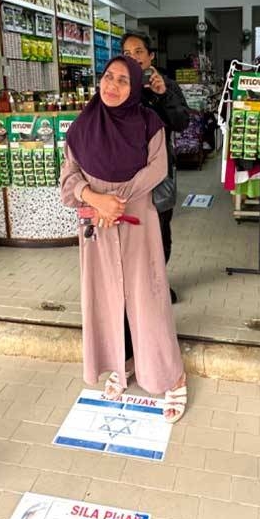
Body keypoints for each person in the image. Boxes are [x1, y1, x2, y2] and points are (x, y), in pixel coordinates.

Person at [60, 55, 188, 423]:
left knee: (148, 298)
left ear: (135, 87)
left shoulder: (149, 123)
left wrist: (117, 201)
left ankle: (171, 374)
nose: (112, 86)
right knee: (106, 300)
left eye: (122, 80)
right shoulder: (81, 127)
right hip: (96, 229)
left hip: (137, 224)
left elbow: (157, 168)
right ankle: (122, 362)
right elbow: (67, 182)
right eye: (107, 77)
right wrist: (95, 199)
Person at [121, 33, 191, 303]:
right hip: (124, 175)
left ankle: (158, 281)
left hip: (160, 172)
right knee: (129, 230)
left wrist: (162, 96)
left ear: (150, 56)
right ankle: (132, 285)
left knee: (160, 228)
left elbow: (182, 122)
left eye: (138, 51)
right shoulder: (118, 86)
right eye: (127, 53)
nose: (133, 57)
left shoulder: (168, 85)